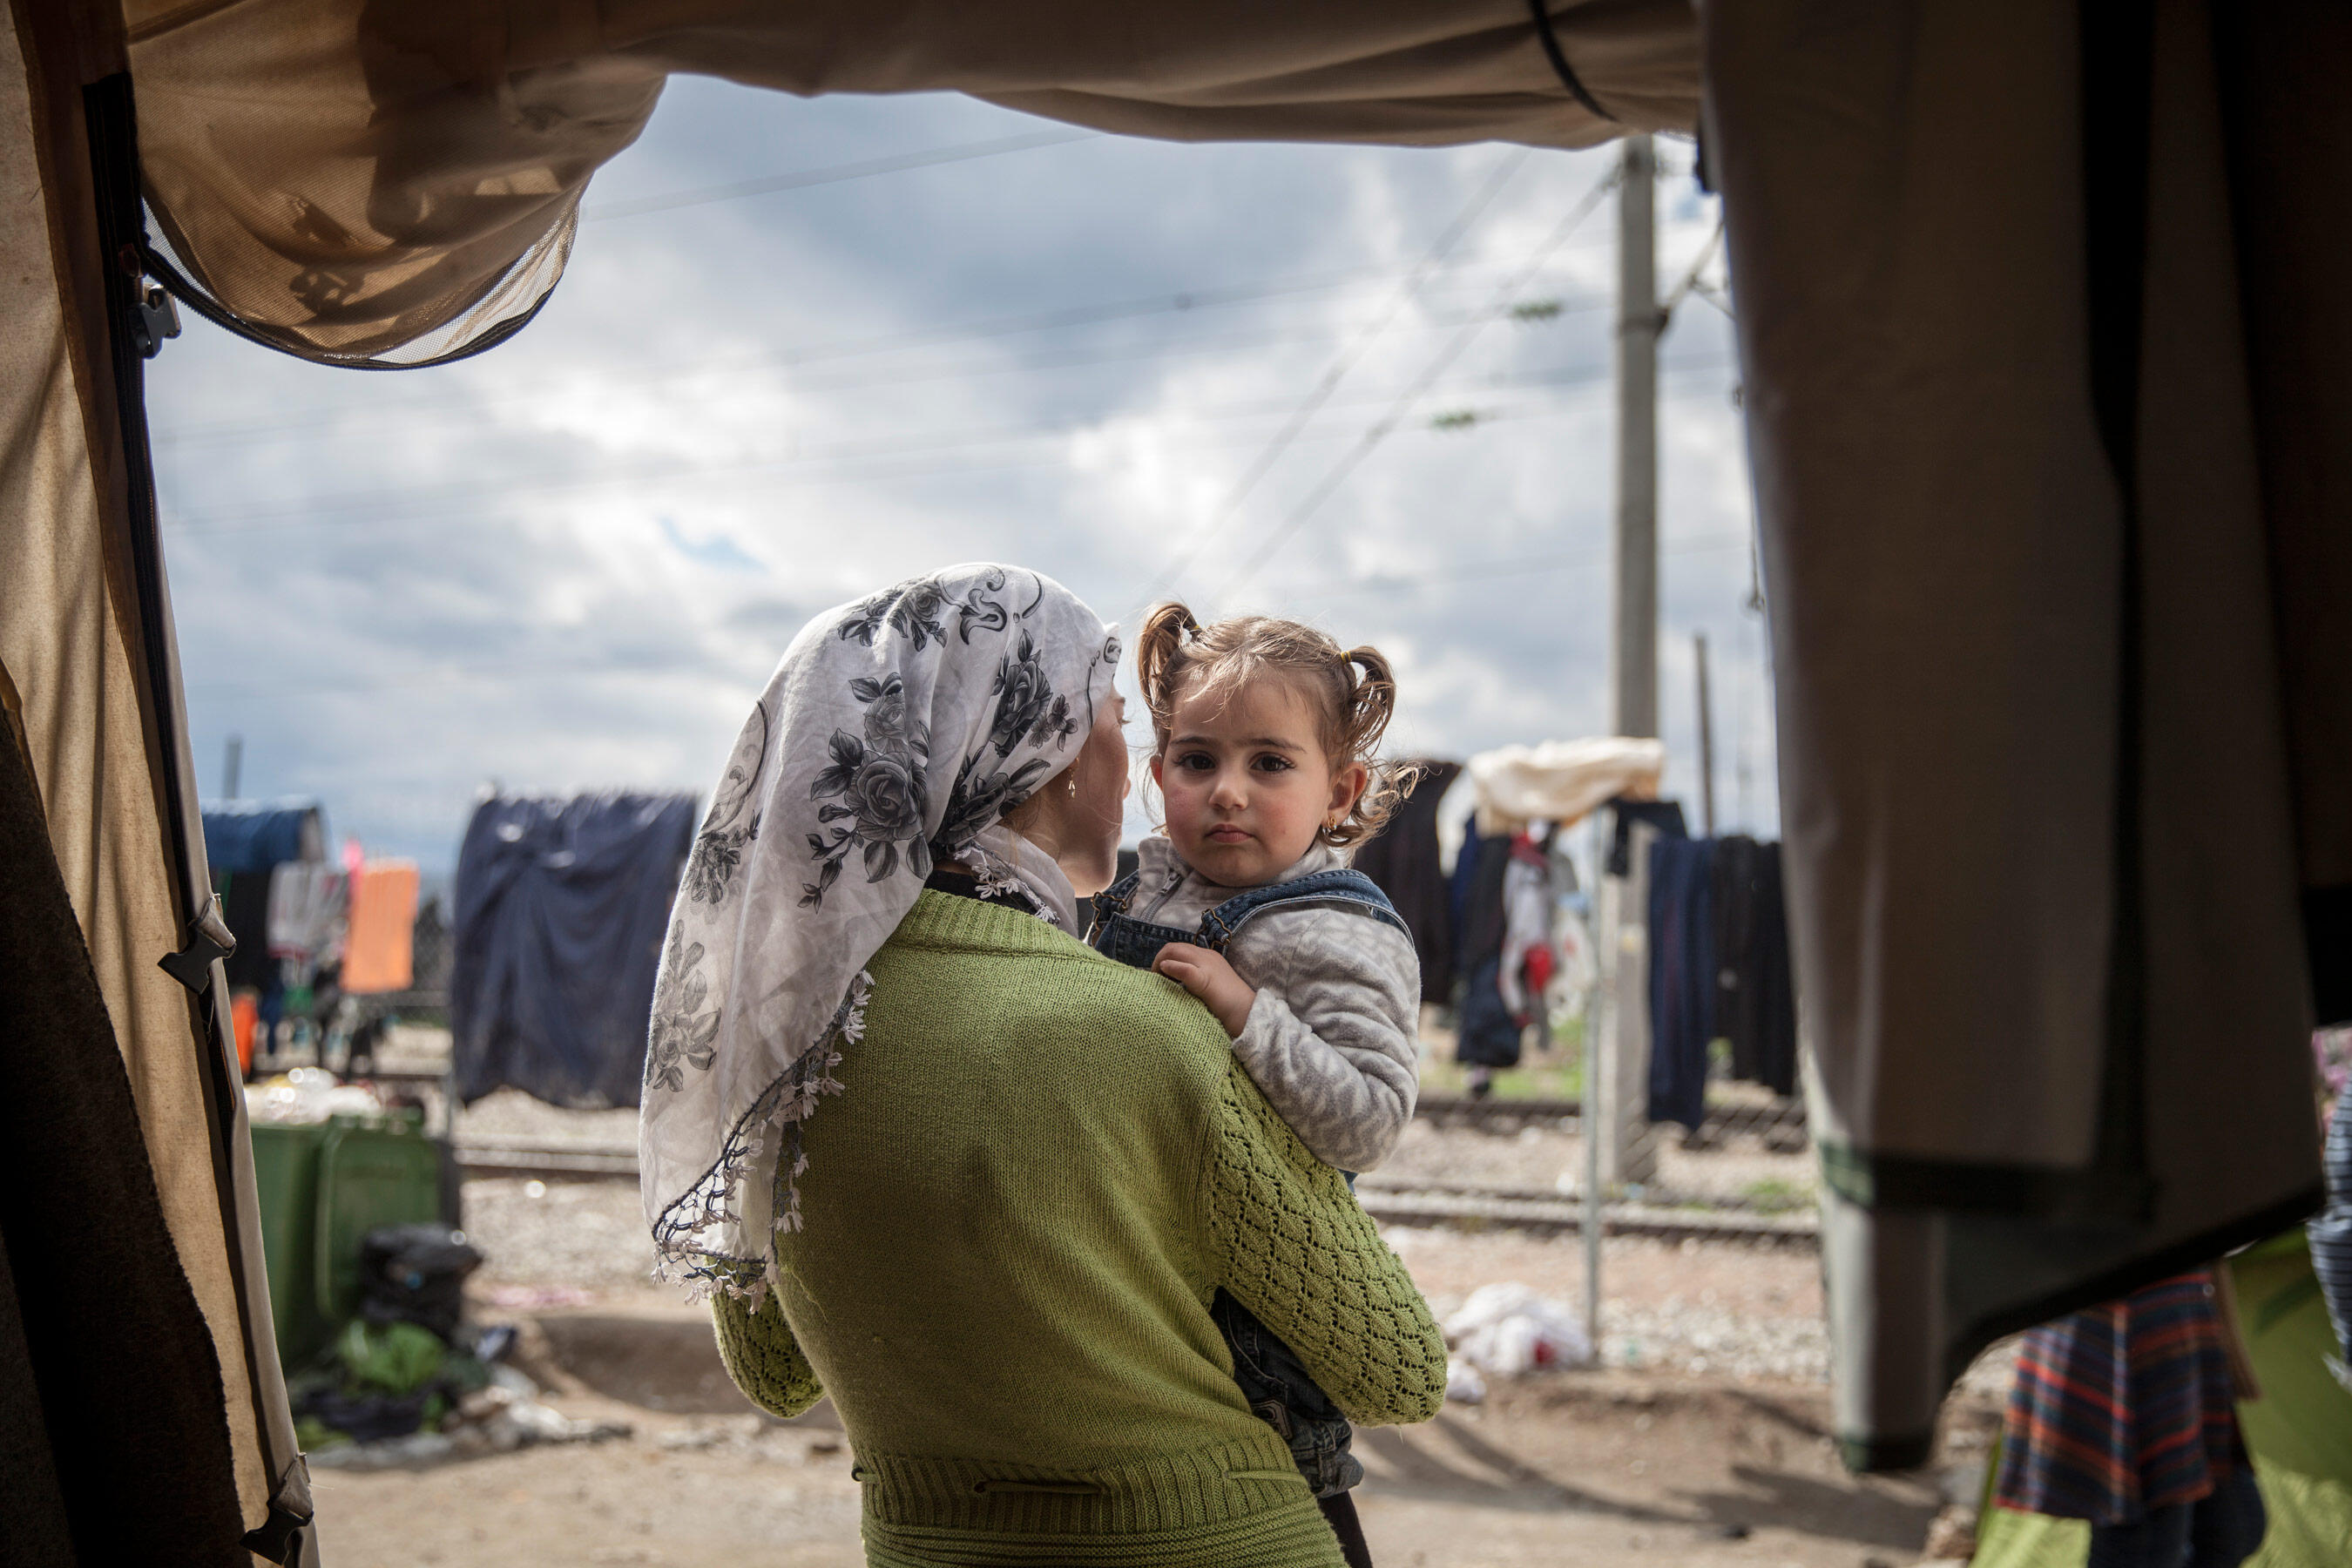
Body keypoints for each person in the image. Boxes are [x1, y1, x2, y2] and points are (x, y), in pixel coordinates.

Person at [637, 564, 1446, 1568]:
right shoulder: (1149, 1034)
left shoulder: (783, 1044)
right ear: (1041, 753)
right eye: (1114, 718)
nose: (1190, 783)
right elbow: (1402, 1374)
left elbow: (773, 1372)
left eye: (1269, 764)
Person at [1084, 603, 1423, 1562]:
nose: (1227, 790)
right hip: (1144, 1270)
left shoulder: (1333, 926)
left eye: (1270, 763)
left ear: (1338, 789)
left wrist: (1248, 1012)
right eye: (1197, 761)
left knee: (1287, 1508)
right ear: (1156, 779)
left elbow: (1365, 1122)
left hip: (1255, 1312)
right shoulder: (1135, 887)